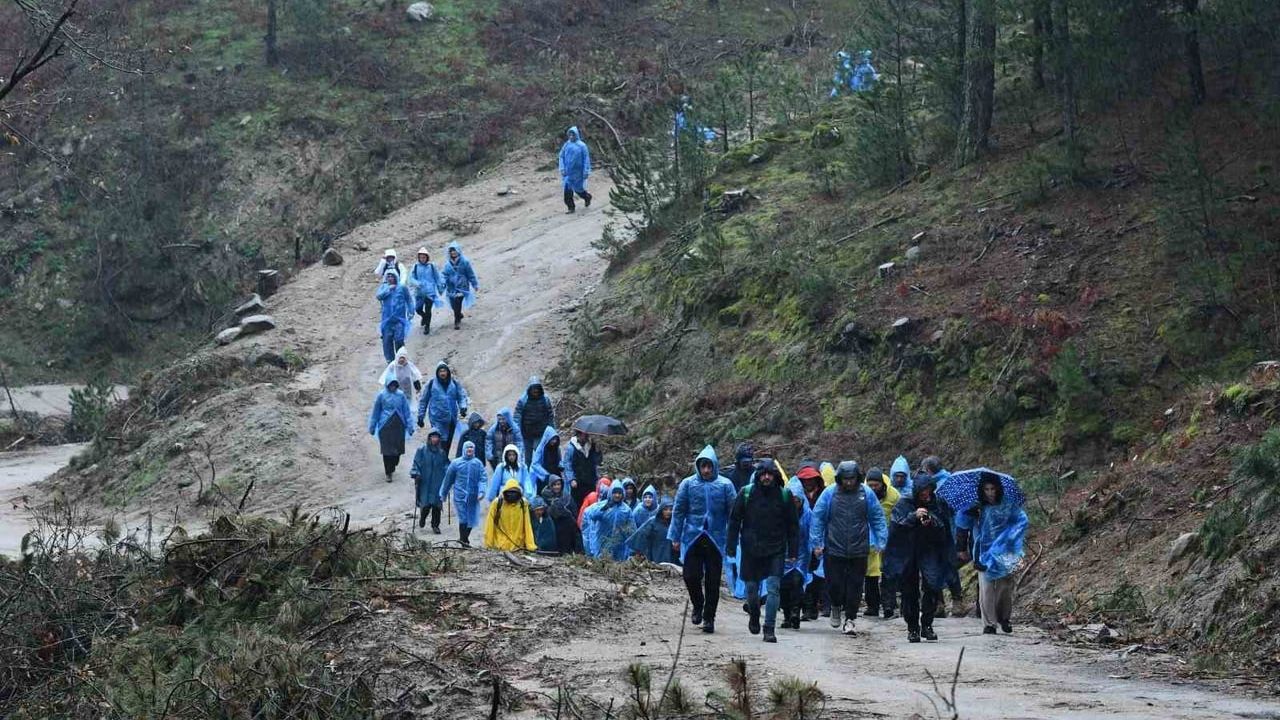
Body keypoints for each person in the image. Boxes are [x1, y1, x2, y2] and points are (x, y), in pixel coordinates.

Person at [809, 461, 888, 636]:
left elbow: (877, 517)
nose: (849, 482)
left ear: (857, 478)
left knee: (855, 586)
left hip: (859, 548)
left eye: (852, 479)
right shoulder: (829, 494)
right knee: (834, 584)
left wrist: (882, 541)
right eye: (846, 479)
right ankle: (836, 605)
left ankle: (850, 618)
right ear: (839, 479)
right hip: (834, 547)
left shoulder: (866, 494)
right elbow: (818, 518)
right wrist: (816, 543)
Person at [726, 459, 798, 643]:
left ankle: (769, 628)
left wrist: (793, 552)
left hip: (776, 549)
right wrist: (731, 546)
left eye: (770, 474)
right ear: (758, 476)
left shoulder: (784, 496)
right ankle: (754, 614)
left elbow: (793, 526)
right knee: (751, 589)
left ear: (775, 476)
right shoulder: (746, 493)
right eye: (763, 474)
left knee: (773, 588)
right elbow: (734, 520)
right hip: (751, 548)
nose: (766, 477)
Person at [668, 446, 737, 634]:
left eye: (709, 466)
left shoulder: (725, 485)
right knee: (690, 575)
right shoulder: (688, 484)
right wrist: (675, 536)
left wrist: (733, 536)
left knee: (713, 581)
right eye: (703, 466)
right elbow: (679, 510)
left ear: (715, 466)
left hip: (716, 538)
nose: (706, 470)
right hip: (692, 537)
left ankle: (709, 617)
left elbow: (734, 513)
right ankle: (698, 605)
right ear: (698, 467)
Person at [883, 477, 955, 643]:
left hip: (930, 550)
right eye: (923, 492)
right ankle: (913, 628)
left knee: (932, 585)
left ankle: (927, 624)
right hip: (907, 550)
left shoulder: (937, 503)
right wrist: (913, 517)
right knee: (909, 591)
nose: (926, 495)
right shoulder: (904, 503)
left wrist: (931, 521)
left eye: (928, 491)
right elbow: (896, 527)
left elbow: (944, 529)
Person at [957, 472, 1028, 635]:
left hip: (1005, 550)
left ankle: (1004, 617)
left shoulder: (1008, 505)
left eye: (993, 489)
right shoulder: (974, 507)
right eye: (987, 489)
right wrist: (961, 547)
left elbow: (1019, 521)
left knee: (1005, 586)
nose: (990, 492)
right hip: (982, 551)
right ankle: (989, 623)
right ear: (982, 491)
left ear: (998, 489)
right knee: (986, 588)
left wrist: (1010, 538)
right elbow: (962, 526)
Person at [921, 455, 965, 618]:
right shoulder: (951, 482)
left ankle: (945, 603)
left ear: (928, 470)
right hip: (947, 531)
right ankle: (953, 602)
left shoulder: (941, 486)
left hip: (941, 532)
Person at [863, 468, 900, 618]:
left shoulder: (894, 496)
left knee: (888, 573)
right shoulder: (862, 494)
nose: (873, 488)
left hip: (889, 538)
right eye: (870, 485)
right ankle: (872, 606)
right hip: (868, 539)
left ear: (882, 484)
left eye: (876, 485)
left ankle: (888, 606)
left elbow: (899, 516)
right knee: (870, 574)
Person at [781, 478, 815, 630]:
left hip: (801, 554)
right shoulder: (780, 514)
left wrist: (815, 549)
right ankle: (787, 615)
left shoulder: (808, 515)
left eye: (797, 500)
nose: (794, 503)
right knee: (783, 586)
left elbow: (813, 533)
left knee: (797, 582)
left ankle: (796, 611)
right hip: (783, 554)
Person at [440, 440, 487, 547]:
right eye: (467, 447)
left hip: (473, 496)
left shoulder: (478, 463)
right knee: (463, 518)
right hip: (459, 496)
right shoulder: (456, 463)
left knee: (472, 519)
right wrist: (443, 493)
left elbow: (483, 478)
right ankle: (464, 541)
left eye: (471, 447)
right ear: (464, 449)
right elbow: (448, 479)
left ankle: (463, 539)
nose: (469, 449)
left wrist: (481, 491)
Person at [416, 361, 469, 452]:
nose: (442, 373)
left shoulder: (454, 383)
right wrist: (420, 417)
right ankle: (438, 461)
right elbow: (423, 401)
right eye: (440, 371)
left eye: (444, 371)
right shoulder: (432, 384)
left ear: (448, 372)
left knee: (447, 442)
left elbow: (461, 396)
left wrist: (463, 407)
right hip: (437, 419)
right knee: (439, 442)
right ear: (437, 372)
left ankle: (443, 460)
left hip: (451, 419)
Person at [368, 379, 414, 482]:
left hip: (398, 424)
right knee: (387, 449)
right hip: (385, 425)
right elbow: (376, 412)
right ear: (387, 385)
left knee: (397, 449)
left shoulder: (401, 395)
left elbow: (406, 411)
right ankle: (388, 472)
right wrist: (372, 426)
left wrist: (410, 426)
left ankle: (394, 464)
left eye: (394, 385)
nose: (392, 387)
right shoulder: (381, 395)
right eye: (391, 385)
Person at [410, 429, 449, 532]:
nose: (435, 439)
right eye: (433, 437)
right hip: (425, 482)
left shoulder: (441, 453)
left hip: (438, 482)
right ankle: (422, 517)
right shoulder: (421, 450)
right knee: (426, 505)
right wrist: (415, 473)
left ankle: (435, 525)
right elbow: (416, 464)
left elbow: (446, 464)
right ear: (429, 438)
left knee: (437, 505)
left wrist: (449, 472)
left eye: (437, 437)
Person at [483, 478, 537, 552]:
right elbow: (490, 524)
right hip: (500, 546)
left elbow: (527, 525)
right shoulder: (497, 503)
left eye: (514, 492)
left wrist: (530, 545)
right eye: (510, 492)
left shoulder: (523, 503)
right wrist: (488, 544)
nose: (512, 495)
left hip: (518, 546)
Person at [586, 484, 635, 561]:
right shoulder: (602, 505)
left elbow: (631, 529)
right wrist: (604, 508)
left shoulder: (626, 510)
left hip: (619, 544)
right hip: (602, 542)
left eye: (619, 493)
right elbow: (591, 515)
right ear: (611, 493)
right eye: (615, 493)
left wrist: (631, 549)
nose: (617, 495)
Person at [515, 376, 555, 462]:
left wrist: (553, 431)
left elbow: (550, 416)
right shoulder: (523, 400)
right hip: (526, 434)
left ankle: (540, 474)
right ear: (529, 388)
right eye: (533, 388)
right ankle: (527, 474)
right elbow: (517, 416)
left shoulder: (545, 399)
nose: (535, 390)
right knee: (527, 459)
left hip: (541, 433)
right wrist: (517, 430)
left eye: (537, 388)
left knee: (541, 456)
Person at [376, 271, 413, 363]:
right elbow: (379, 296)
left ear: (396, 277)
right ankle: (390, 360)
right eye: (388, 276)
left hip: (399, 319)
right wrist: (388, 289)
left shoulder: (402, 288)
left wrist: (411, 311)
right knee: (387, 341)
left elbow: (409, 300)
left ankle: (401, 358)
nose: (390, 278)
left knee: (399, 340)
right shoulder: (384, 287)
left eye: (392, 276)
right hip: (387, 320)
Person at [541, 475, 583, 554]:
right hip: (552, 527)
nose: (557, 487)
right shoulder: (545, 497)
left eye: (559, 484)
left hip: (566, 529)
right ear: (550, 485)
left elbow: (574, 512)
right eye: (554, 485)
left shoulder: (567, 497)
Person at [442, 241, 479, 330]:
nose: (453, 252)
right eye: (451, 251)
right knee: (453, 304)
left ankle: (456, 320)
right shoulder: (447, 264)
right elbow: (444, 275)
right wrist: (442, 283)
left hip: (462, 286)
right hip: (451, 287)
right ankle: (459, 314)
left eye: (454, 250)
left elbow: (470, 274)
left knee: (457, 302)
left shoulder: (465, 262)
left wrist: (475, 284)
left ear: (458, 251)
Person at [407, 247, 445, 335]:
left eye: (424, 257)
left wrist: (440, 288)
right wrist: (417, 283)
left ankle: (427, 326)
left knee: (428, 310)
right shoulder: (415, 266)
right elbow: (411, 278)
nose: (422, 259)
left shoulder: (431, 266)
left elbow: (437, 277)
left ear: (427, 257)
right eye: (421, 257)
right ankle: (424, 317)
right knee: (418, 309)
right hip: (419, 293)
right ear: (418, 258)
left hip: (430, 292)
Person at [563, 430, 602, 508]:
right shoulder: (571, 447)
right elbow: (567, 464)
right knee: (578, 504)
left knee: (592, 503)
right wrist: (571, 479)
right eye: (585, 434)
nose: (587, 436)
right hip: (578, 482)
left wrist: (598, 451)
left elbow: (597, 462)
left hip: (591, 480)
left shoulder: (591, 446)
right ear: (579, 435)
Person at [558, 126, 593, 213]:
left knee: (579, 190)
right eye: (569, 135)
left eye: (572, 135)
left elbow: (586, 159)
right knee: (567, 190)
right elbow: (561, 156)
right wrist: (562, 168)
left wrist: (586, 171)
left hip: (578, 173)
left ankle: (587, 197)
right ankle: (571, 207)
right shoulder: (567, 144)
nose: (571, 137)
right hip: (568, 172)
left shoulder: (582, 146)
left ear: (576, 135)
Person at [629, 497, 674, 563]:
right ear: (661, 510)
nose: (668, 512)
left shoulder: (674, 523)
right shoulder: (653, 521)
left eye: (671, 509)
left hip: (671, 555)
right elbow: (640, 536)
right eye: (665, 509)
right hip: (655, 553)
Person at [578, 477, 612, 555]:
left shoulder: (610, 501)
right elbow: (582, 514)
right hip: (589, 527)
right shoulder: (592, 497)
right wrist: (581, 527)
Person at [530, 426, 563, 494]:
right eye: (552, 439)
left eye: (555, 439)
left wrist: (561, 465)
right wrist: (546, 474)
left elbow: (559, 460)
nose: (554, 441)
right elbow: (535, 464)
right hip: (545, 478)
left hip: (556, 475)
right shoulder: (541, 449)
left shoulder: (557, 449)